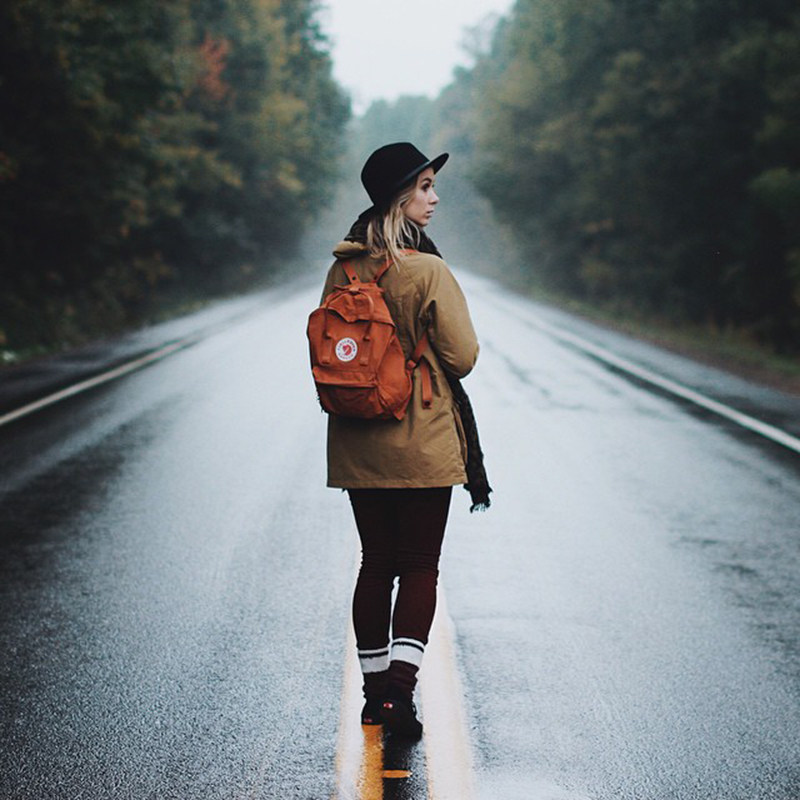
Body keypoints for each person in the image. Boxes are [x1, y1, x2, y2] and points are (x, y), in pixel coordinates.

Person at [319, 142, 488, 739]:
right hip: (421, 437)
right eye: (424, 188)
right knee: (419, 566)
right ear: (399, 198)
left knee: (375, 564)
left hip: (358, 437)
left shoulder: (342, 269)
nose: (434, 197)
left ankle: (371, 697)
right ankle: (399, 695)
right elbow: (463, 358)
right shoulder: (429, 271)